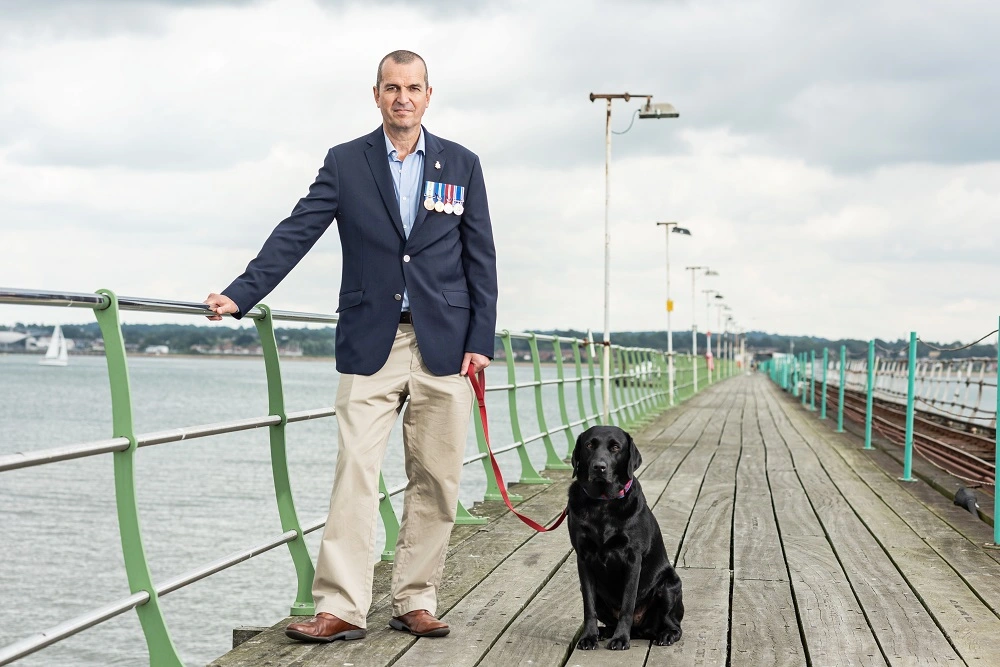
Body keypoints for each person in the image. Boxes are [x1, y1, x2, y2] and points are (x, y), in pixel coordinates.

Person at [203, 49, 497, 642]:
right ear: (377, 94)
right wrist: (242, 293)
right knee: (356, 473)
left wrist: (481, 340)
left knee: (437, 478)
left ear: (428, 95)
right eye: (392, 88)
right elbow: (296, 231)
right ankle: (341, 606)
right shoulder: (345, 163)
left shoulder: (461, 164)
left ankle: (415, 598)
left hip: (445, 344)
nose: (403, 98)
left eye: (413, 88)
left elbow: (480, 256)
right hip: (372, 343)